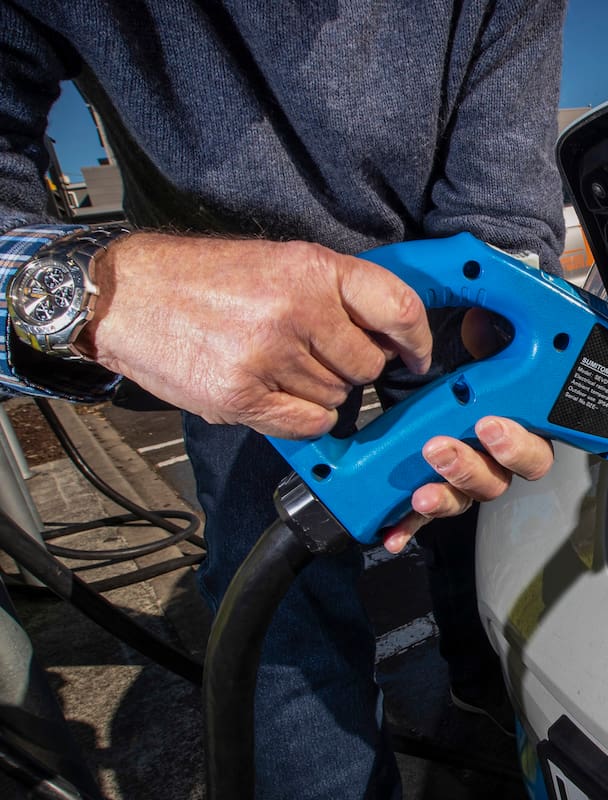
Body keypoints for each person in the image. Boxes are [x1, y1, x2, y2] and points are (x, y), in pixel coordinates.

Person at [0, 2, 566, 797]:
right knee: (283, 607)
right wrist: (92, 294)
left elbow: (500, 202)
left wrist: (506, 314)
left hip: (436, 298)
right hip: (227, 323)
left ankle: (476, 698)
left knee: (465, 523)